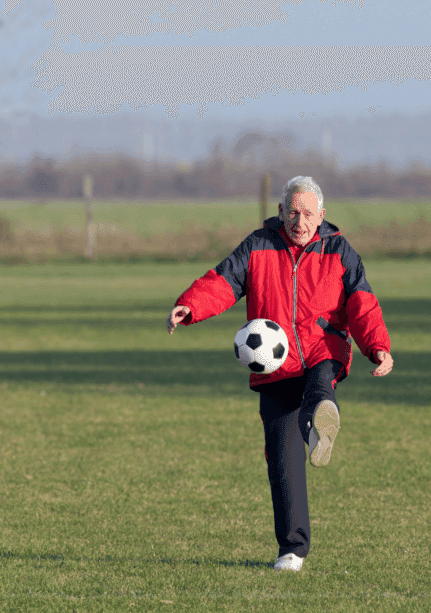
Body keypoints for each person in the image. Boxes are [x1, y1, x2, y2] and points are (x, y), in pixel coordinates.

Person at [166, 175, 393, 572]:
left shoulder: (339, 251)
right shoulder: (258, 245)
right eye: (292, 211)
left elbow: (362, 302)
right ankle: (292, 549)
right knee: (283, 462)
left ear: (322, 215)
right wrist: (190, 307)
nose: (299, 221)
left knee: (321, 387)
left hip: (324, 350)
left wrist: (377, 347)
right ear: (280, 212)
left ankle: (322, 422)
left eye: (307, 213)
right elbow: (223, 281)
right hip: (273, 365)